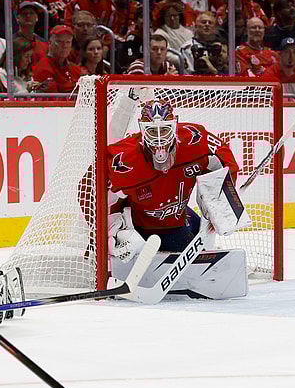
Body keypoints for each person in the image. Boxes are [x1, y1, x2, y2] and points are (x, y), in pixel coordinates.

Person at [102, 98, 240, 268]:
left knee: (200, 234)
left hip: (176, 216)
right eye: (152, 131)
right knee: (194, 258)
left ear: (175, 126)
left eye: (165, 130)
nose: (159, 139)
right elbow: (88, 193)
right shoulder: (123, 160)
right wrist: (112, 229)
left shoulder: (195, 139)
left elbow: (226, 164)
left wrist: (220, 203)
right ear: (142, 130)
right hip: (140, 224)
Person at [32, 25, 84, 93]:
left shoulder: (76, 69)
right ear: (50, 43)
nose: (64, 46)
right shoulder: (43, 69)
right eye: (59, 42)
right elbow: (53, 100)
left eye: (68, 42)